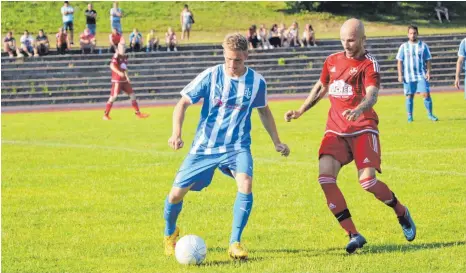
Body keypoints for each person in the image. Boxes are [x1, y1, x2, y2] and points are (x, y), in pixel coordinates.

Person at [284, 18, 416, 254]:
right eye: (343, 39)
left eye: (352, 40)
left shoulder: (369, 64)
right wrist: (300, 110)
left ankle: (401, 211)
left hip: (363, 127)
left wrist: (358, 110)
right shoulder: (332, 61)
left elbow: (373, 95)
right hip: (336, 130)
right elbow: (321, 86)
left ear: (363, 39)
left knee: (367, 182)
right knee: (325, 178)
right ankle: (353, 234)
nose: (347, 44)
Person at [163, 33, 290, 260]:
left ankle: (235, 243)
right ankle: (170, 234)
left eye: (238, 60)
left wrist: (277, 141)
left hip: (237, 146)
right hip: (205, 147)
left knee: (246, 183)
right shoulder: (211, 76)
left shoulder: (257, 82)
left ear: (246, 56)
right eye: (229, 59)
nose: (232, 65)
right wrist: (176, 133)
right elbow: (182, 103)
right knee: (174, 196)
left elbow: (264, 111)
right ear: (224, 55)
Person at [396, 25, 438, 122]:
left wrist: (428, 72)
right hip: (408, 75)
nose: (413, 35)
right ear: (408, 35)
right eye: (411, 33)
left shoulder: (423, 46)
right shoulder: (404, 46)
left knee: (426, 94)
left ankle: (430, 115)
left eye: (414, 33)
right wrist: (400, 74)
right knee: (409, 95)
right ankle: (410, 117)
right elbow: (399, 61)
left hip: (421, 75)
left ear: (417, 34)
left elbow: (428, 60)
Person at [103, 42, 149, 120]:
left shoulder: (125, 57)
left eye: (124, 47)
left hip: (124, 80)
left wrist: (127, 77)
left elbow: (125, 68)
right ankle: (106, 115)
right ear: (118, 48)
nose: (124, 49)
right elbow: (111, 65)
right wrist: (118, 72)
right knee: (113, 97)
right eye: (122, 47)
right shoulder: (116, 56)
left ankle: (138, 113)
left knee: (132, 95)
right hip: (117, 80)